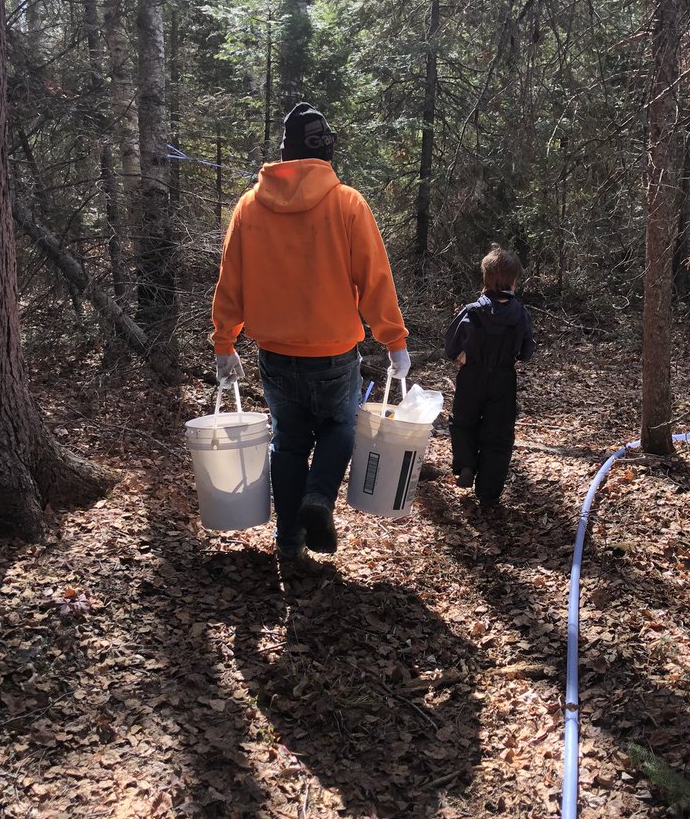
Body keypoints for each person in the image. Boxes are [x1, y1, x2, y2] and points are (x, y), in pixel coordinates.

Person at [211, 102, 410, 559]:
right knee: (340, 425)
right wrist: (393, 340)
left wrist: (226, 342)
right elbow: (374, 278)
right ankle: (319, 498)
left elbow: (231, 280)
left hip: (276, 354)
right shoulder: (347, 203)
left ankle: (288, 541)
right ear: (324, 152)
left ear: (284, 155)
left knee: (289, 441)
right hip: (335, 351)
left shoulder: (247, 207)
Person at [444, 245, 534, 507]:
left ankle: (467, 465)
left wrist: (461, 353)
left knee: (462, 422)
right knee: (499, 435)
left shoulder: (471, 311)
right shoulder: (520, 314)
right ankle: (489, 493)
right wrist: (516, 357)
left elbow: (451, 345)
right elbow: (527, 349)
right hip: (503, 379)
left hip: (471, 375)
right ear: (513, 281)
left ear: (486, 278)